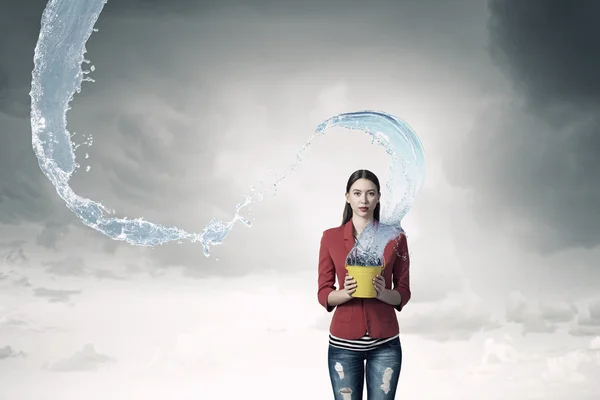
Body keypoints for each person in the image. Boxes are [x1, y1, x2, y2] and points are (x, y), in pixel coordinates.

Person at [317, 169, 411, 399]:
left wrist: (382, 293)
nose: (364, 200)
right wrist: (345, 293)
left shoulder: (395, 237)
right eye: (357, 193)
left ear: (378, 197)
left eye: (370, 193)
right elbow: (323, 292)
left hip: (385, 344)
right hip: (343, 344)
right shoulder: (330, 237)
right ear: (347, 196)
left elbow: (404, 291)